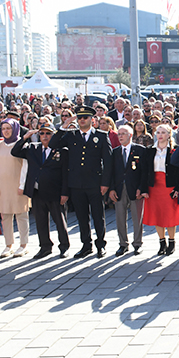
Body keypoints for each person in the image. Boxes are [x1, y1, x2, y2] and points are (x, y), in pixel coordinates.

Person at [48, 105, 113, 258]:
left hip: (95, 183)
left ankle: (100, 244)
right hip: (76, 183)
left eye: (85, 117)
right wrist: (64, 126)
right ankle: (86, 245)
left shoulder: (102, 136)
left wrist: (105, 183)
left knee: (98, 215)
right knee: (82, 216)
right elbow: (53, 144)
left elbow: (108, 162)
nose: (82, 120)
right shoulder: (71, 135)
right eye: (79, 118)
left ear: (92, 119)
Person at [12, 124, 70, 258]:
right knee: (40, 221)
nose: (45, 136)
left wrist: (65, 192)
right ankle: (45, 247)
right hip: (37, 192)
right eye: (42, 133)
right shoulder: (33, 148)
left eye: (48, 133)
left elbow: (65, 173)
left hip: (55, 192)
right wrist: (25, 137)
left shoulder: (61, 150)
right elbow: (15, 151)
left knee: (60, 221)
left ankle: (64, 247)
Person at [0, 119, 32, 257]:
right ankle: (8, 245)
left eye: (9, 128)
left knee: (21, 215)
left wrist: (22, 185)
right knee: (5, 216)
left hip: (18, 185)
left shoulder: (22, 145)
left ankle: (24, 244)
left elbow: (25, 166)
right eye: (4, 128)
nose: (6, 131)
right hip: (3, 186)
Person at [143, 124, 179, 255]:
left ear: (169, 134)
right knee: (157, 215)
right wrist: (144, 188)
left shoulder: (175, 150)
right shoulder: (149, 150)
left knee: (170, 215)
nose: (160, 135)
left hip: (169, 186)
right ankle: (161, 242)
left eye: (163, 132)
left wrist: (177, 188)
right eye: (158, 132)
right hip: (154, 186)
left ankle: (172, 241)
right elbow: (144, 171)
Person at [110, 125, 149, 256]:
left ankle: (137, 244)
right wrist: (111, 189)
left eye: (123, 134)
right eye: (119, 134)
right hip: (120, 189)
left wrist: (141, 188)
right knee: (120, 217)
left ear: (130, 135)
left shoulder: (140, 150)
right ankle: (123, 244)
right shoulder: (115, 152)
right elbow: (111, 173)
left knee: (137, 217)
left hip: (135, 189)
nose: (120, 136)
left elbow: (145, 172)